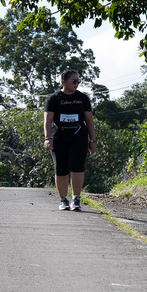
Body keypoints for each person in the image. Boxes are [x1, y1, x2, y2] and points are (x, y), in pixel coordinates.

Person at [44, 69, 96, 211]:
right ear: (63, 82)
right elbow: (48, 120)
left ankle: (76, 199)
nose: (76, 83)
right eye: (74, 81)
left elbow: (89, 120)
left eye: (78, 81)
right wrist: (47, 138)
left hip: (78, 137)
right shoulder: (53, 98)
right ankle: (63, 200)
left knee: (77, 167)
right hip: (59, 137)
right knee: (61, 168)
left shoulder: (83, 98)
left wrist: (93, 140)